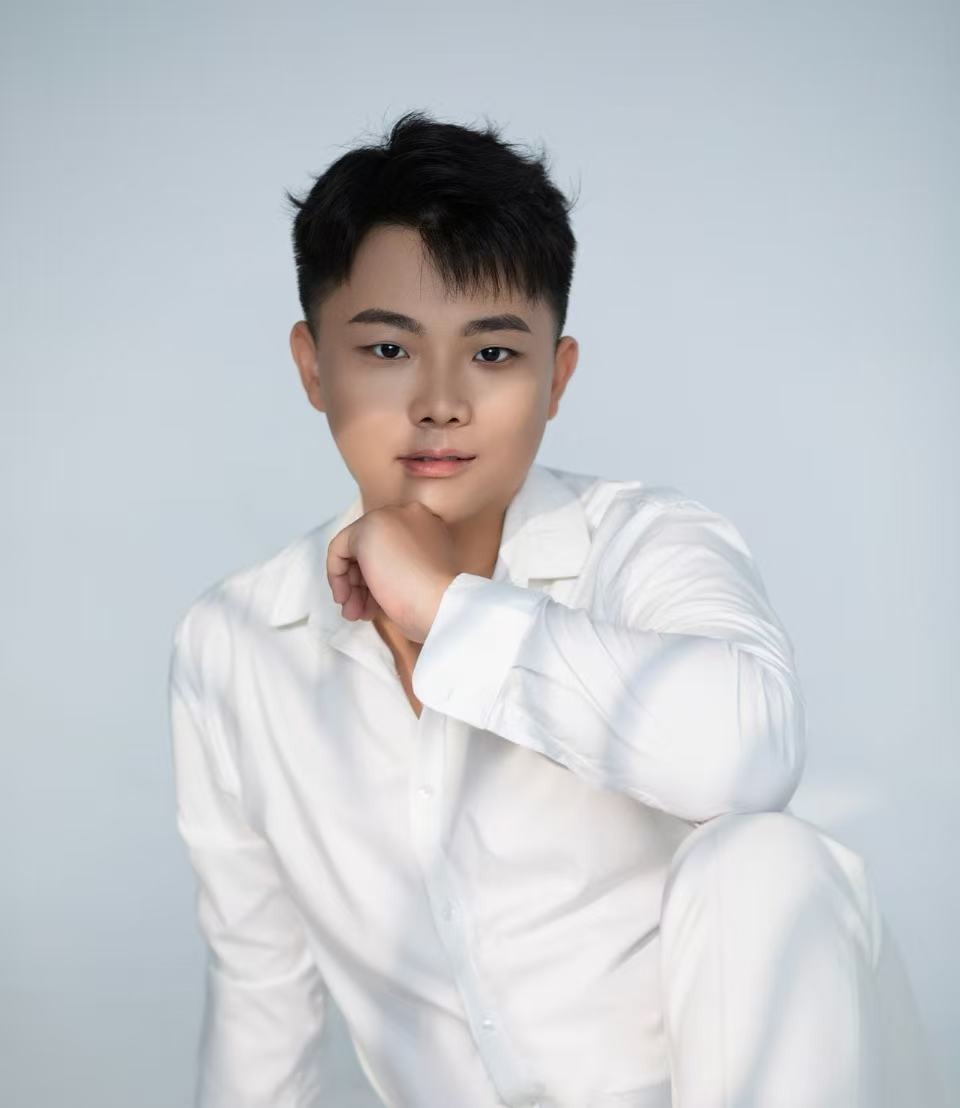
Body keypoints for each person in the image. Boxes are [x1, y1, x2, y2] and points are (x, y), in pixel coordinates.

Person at [167, 110, 944, 1108]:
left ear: (557, 377)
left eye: (492, 354)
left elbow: (749, 757)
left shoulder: (648, 543)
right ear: (314, 366)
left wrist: (449, 609)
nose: (440, 401)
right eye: (388, 349)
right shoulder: (233, 646)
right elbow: (260, 1012)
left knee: (764, 863)